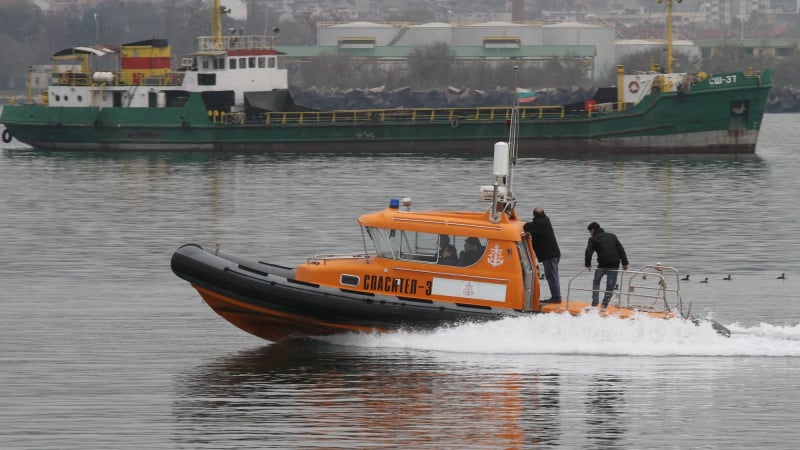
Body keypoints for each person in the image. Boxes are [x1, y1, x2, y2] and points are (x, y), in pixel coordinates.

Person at [584, 222, 629, 308]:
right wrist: (625, 263)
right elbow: (621, 250)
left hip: (602, 264)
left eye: (590, 232)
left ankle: (594, 303)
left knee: (596, 281)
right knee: (610, 286)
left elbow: (588, 252)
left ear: (593, 230)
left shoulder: (593, 239)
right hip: (614, 264)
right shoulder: (612, 236)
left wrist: (588, 264)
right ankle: (604, 305)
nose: (590, 234)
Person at [523, 208, 562, 303]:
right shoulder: (545, 220)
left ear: (534, 215)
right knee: (554, 276)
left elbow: (526, 226)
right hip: (554, 254)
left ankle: (556, 298)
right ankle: (556, 296)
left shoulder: (539, 223)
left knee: (551, 276)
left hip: (549, 255)